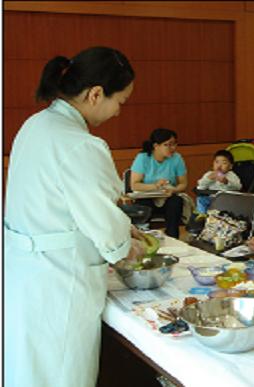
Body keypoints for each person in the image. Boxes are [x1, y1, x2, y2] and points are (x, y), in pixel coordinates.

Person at [5, 47, 145, 387]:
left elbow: (62, 202)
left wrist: (121, 230)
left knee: (28, 369)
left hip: (25, 272)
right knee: (61, 373)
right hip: (59, 280)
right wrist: (128, 247)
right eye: (119, 102)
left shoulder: (37, 125)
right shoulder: (79, 144)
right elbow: (105, 228)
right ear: (96, 94)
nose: (116, 113)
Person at [130, 128, 188, 238]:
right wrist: (155, 186)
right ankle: (144, 238)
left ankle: (173, 237)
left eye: (174, 144)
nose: (173, 148)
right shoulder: (143, 158)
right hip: (147, 197)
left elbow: (183, 184)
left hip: (168, 196)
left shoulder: (177, 158)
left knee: (176, 202)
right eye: (168, 145)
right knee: (144, 204)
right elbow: (135, 185)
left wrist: (174, 189)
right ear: (156, 146)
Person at [195, 149, 242, 214]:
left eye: (224, 163)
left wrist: (226, 182)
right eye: (217, 162)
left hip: (227, 200)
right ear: (213, 164)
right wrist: (209, 179)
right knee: (201, 199)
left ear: (230, 166)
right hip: (212, 199)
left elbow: (238, 187)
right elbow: (200, 187)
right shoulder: (209, 174)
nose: (219, 165)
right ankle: (202, 214)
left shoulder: (231, 175)